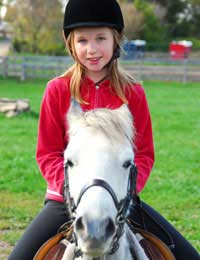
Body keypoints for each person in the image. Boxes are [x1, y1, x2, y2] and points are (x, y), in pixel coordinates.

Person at [9, 0, 199, 259]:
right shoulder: (57, 90)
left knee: (188, 256)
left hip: (120, 200)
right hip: (65, 201)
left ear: (116, 40)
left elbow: (143, 154)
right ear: (71, 44)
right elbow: (47, 153)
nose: (92, 49)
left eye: (100, 38)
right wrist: (75, 193)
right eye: (82, 41)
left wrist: (124, 194)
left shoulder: (134, 93)